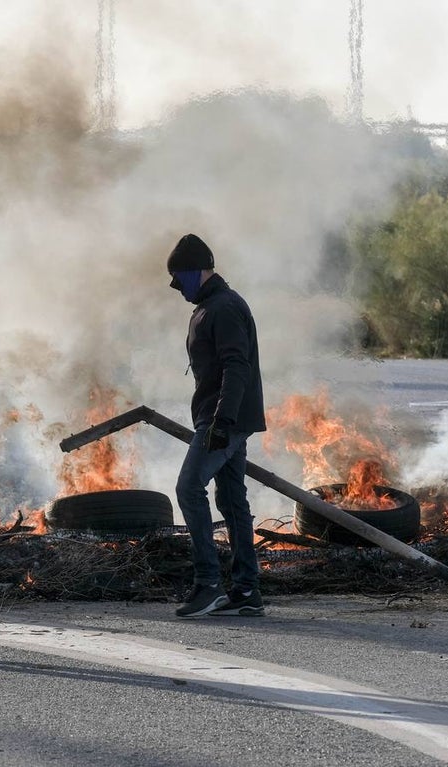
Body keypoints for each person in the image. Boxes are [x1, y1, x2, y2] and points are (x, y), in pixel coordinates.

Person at [166, 233, 266, 618]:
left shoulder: (222, 307)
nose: (178, 288)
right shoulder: (212, 305)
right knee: (231, 499)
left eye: (180, 278)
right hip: (227, 417)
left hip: (224, 419)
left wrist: (222, 421)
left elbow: (236, 365)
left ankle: (208, 585)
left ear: (197, 271)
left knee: (189, 488)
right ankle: (246, 590)